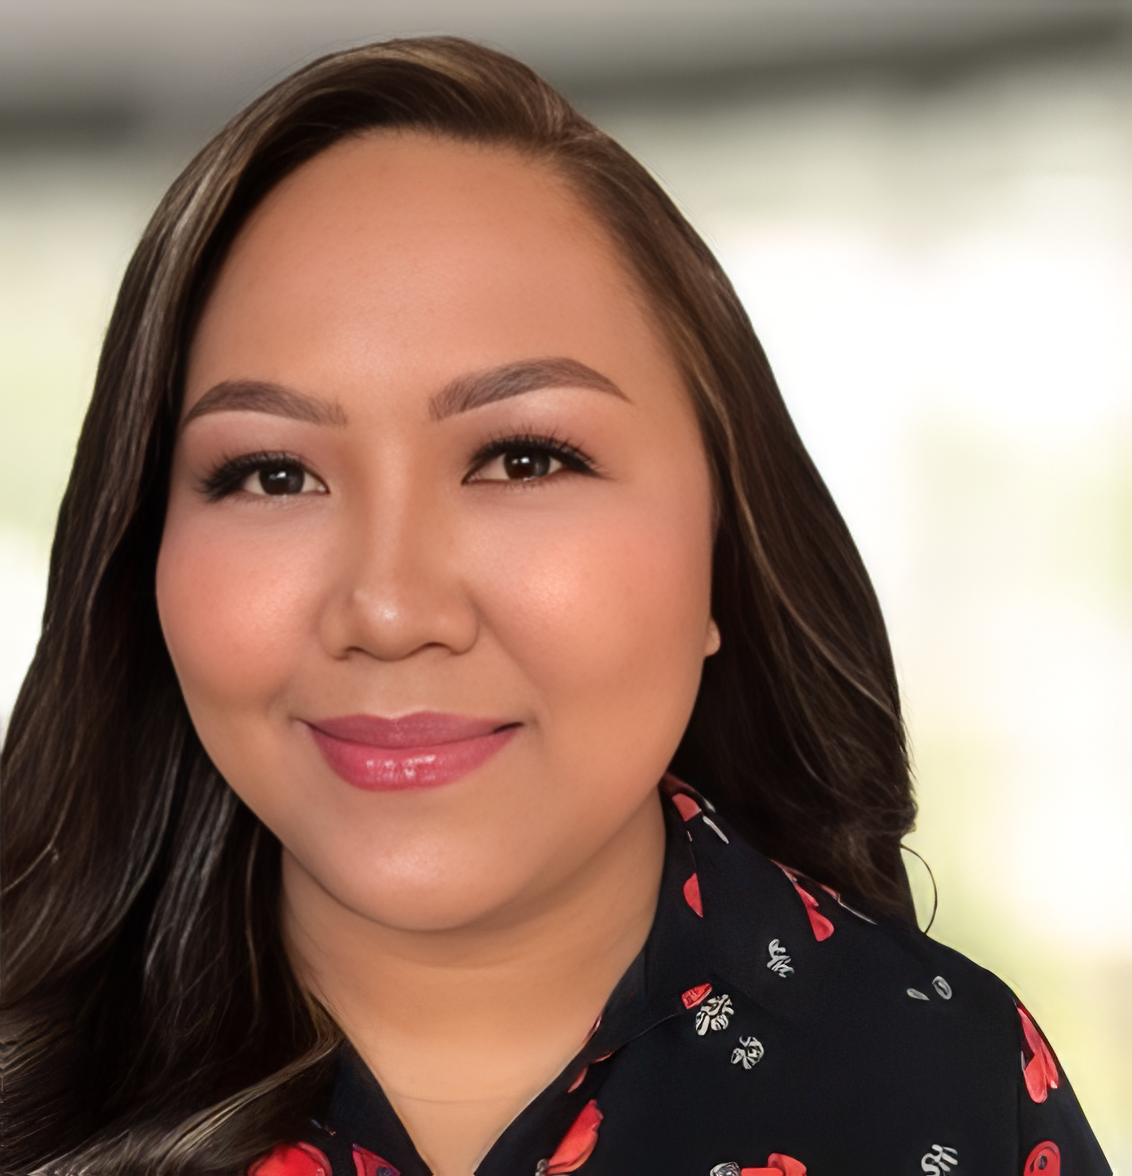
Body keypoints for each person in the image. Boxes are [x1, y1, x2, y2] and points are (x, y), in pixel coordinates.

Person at [0, 36, 1109, 1176]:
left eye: (524, 460)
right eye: (273, 473)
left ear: (724, 551)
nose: (388, 609)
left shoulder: (955, 1086)